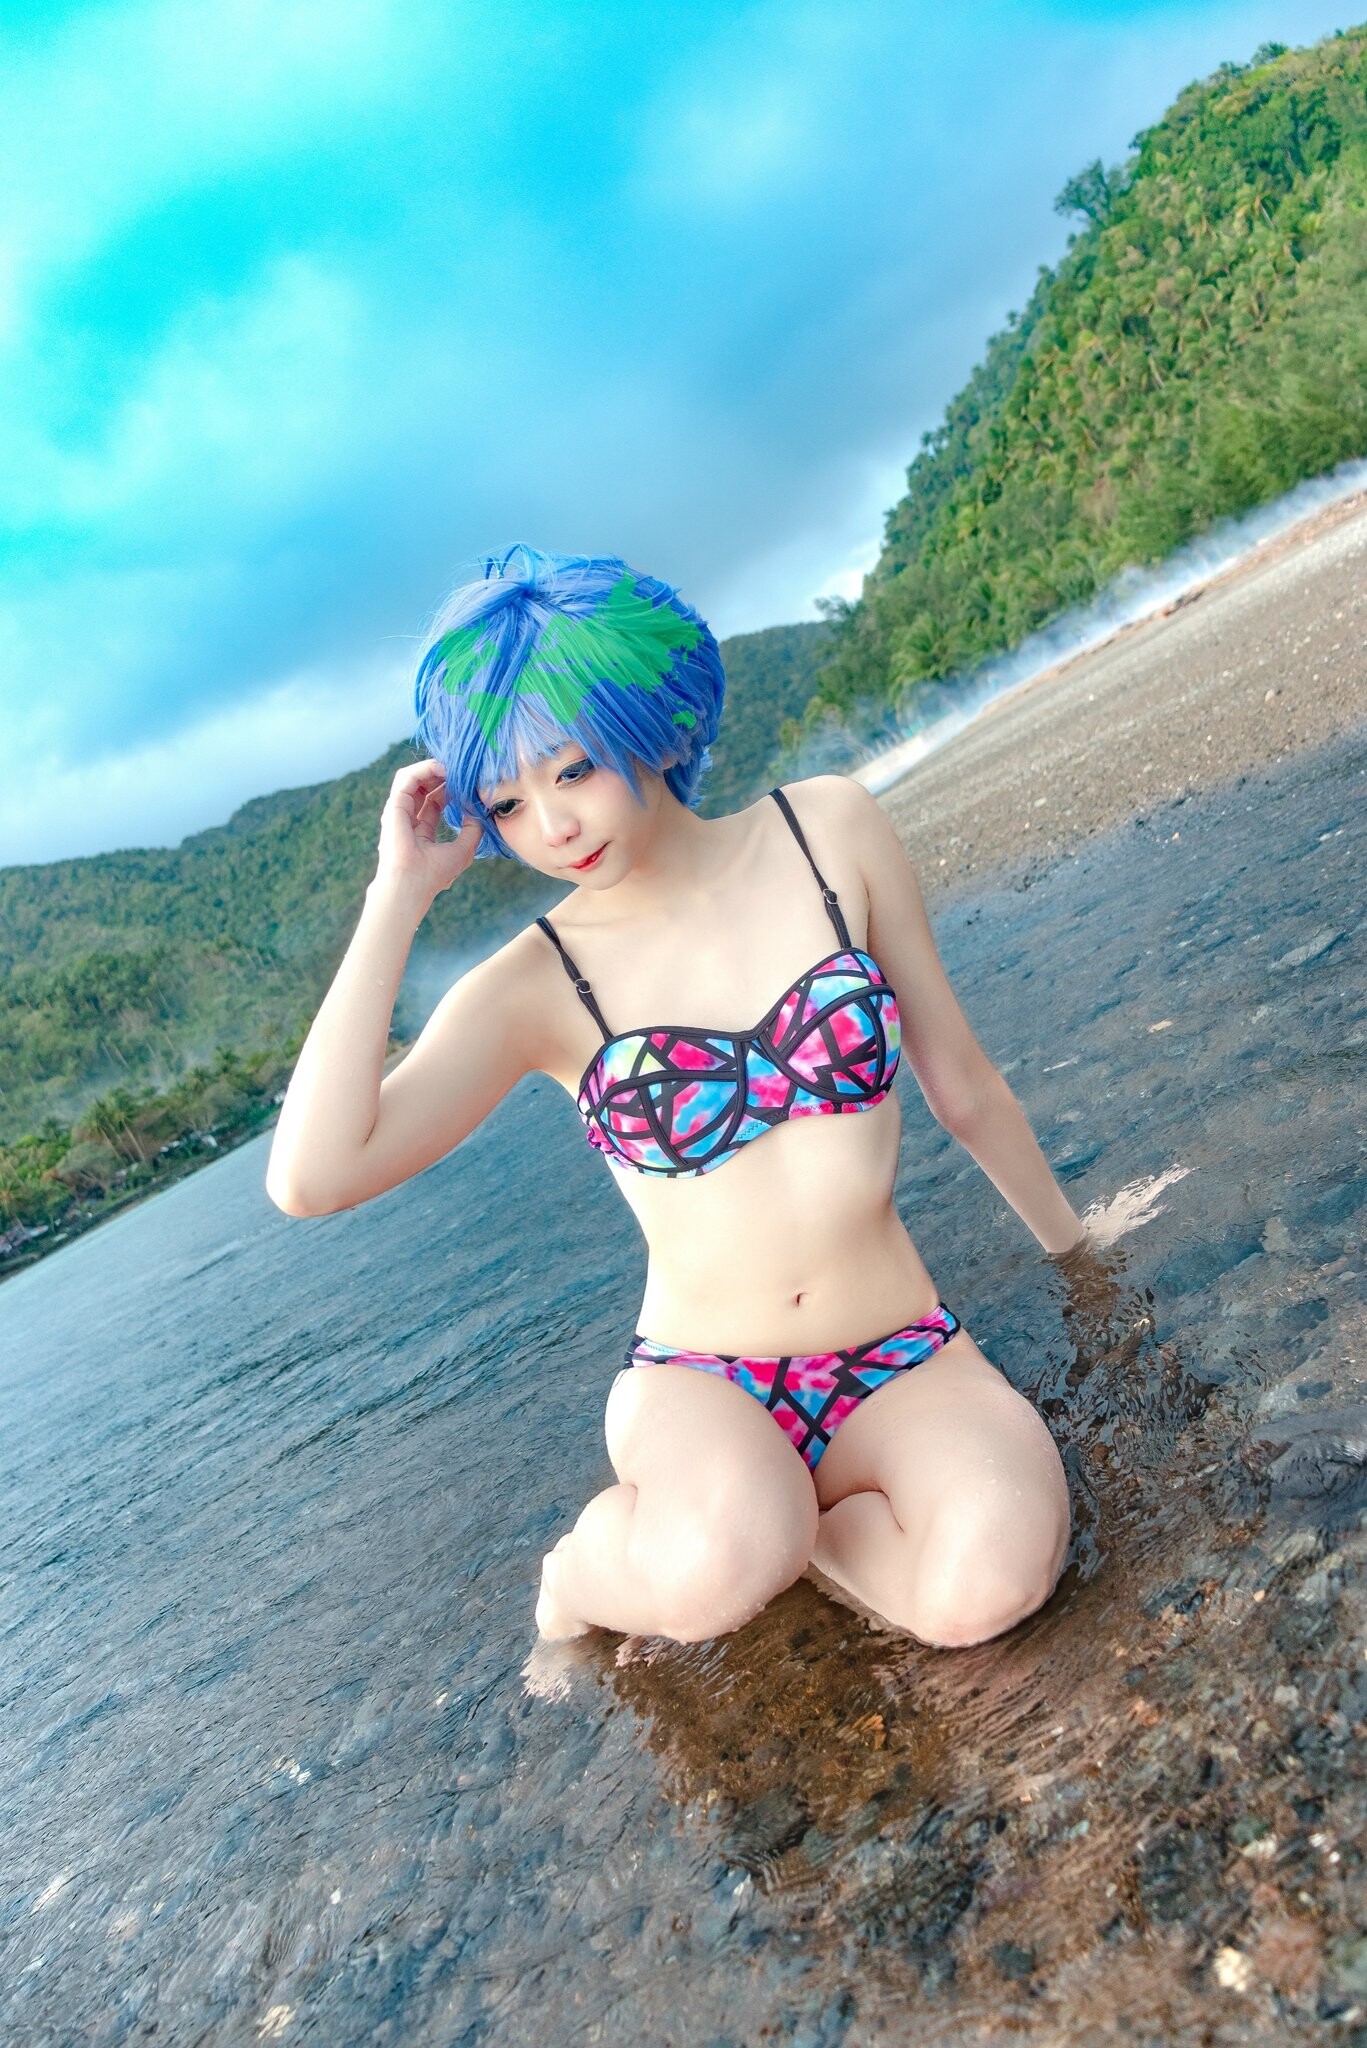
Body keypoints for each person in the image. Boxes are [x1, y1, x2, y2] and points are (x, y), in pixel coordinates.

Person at [266, 546, 1081, 1650]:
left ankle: (807, 1532)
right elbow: (312, 1176)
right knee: (714, 1568)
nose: (552, 826)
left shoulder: (827, 831)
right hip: (703, 1382)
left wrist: (1077, 1254)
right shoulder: (536, 983)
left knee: (989, 1585)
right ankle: (583, 1576)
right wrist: (396, 895)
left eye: (572, 769)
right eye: (506, 803)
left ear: (648, 722)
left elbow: (963, 1082)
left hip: (901, 1349)